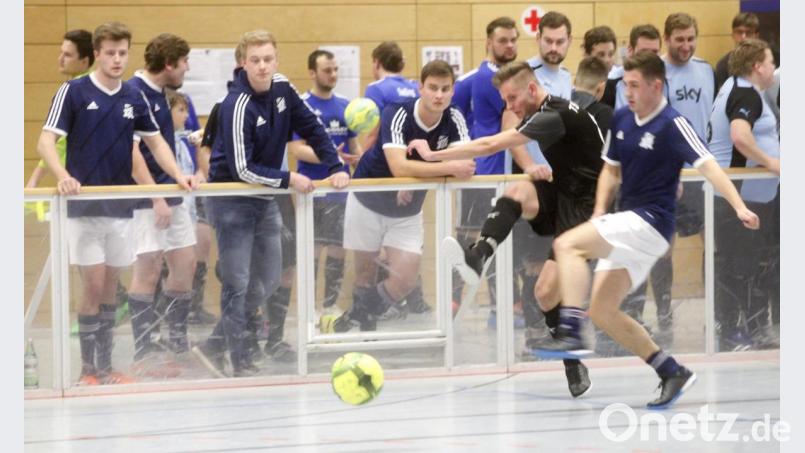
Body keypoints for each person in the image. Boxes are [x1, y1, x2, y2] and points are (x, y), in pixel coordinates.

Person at [533, 51, 759, 409]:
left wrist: (739, 205)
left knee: (566, 245)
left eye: (636, 86)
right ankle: (670, 371)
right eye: (626, 85)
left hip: (651, 222)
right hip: (628, 223)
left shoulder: (672, 123)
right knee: (604, 312)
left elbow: (710, 166)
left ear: (656, 86)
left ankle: (571, 330)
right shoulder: (622, 118)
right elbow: (610, 169)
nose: (629, 92)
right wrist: (598, 212)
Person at [407, 60, 605, 398]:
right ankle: (477, 256)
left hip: (588, 209)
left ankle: (573, 361)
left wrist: (434, 155)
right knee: (517, 191)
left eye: (512, 99)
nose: (509, 107)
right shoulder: (542, 110)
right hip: (562, 193)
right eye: (505, 101)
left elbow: (489, 145)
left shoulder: (554, 114)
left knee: (544, 294)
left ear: (531, 89)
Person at [37, 22, 196, 385]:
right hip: (84, 208)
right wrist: (63, 175)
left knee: (111, 288)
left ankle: (106, 368)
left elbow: (155, 143)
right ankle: (87, 369)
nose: (116, 59)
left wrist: (177, 176)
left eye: (122, 53)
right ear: (97, 53)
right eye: (109, 53)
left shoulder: (132, 96)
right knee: (92, 286)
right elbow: (45, 142)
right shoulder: (73, 92)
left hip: (121, 209)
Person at [193, 30, 349, 377]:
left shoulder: (282, 88)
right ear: (243, 63)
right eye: (255, 61)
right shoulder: (236, 105)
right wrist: (289, 179)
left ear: (276, 60)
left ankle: (214, 344)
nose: (262, 67)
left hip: (265, 200)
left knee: (268, 279)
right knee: (237, 281)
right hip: (232, 200)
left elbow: (312, 125)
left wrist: (336, 166)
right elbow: (241, 168)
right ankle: (237, 356)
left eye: (268, 59)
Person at [330, 60, 474, 333]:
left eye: (445, 89)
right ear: (420, 87)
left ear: (453, 91)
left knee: (405, 281)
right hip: (367, 198)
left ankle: (351, 317)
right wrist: (439, 167)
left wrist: (422, 167)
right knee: (364, 274)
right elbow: (399, 167)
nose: (438, 95)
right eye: (432, 88)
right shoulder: (397, 112)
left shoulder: (454, 117)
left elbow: (465, 164)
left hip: (407, 210)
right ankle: (366, 339)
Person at [621, 12, 717, 345]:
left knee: (712, 243)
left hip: (700, 173)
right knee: (663, 247)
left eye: (691, 38)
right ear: (667, 39)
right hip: (667, 176)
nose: (686, 45)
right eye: (680, 39)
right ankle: (662, 316)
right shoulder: (655, 74)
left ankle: (715, 315)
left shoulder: (706, 70)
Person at [124, 33, 201, 377]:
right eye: (184, 62)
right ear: (169, 64)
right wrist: (156, 196)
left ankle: (176, 339)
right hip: (144, 197)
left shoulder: (160, 94)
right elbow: (134, 151)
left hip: (171, 193)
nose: (186, 68)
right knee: (148, 269)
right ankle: (143, 347)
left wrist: (182, 177)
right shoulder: (133, 93)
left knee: (185, 263)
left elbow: (161, 146)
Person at [708, 38, 780, 351]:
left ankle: (744, 327)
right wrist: (772, 162)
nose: (773, 68)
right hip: (738, 194)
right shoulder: (744, 92)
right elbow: (740, 136)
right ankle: (730, 332)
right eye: (770, 62)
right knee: (735, 263)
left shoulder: (736, 88)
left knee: (744, 261)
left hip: (747, 194)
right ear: (756, 66)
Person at [27, 29, 94, 188]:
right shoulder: (85, 88)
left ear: (84, 61)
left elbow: (58, 143)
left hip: (79, 182)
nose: (60, 59)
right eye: (61, 53)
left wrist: (35, 179)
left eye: (68, 55)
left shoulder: (74, 91)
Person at [602, 24, 662, 109]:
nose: (650, 57)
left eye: (654, 52)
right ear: (630, 50)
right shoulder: (611, 82)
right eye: (644, 51)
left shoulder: (664, 80)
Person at [715, 13, 760, 90]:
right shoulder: (723, 64)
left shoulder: (767, 60)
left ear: (756, 35)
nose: (743, 37)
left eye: (748, 32)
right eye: (739, 32)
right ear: (732, 34)